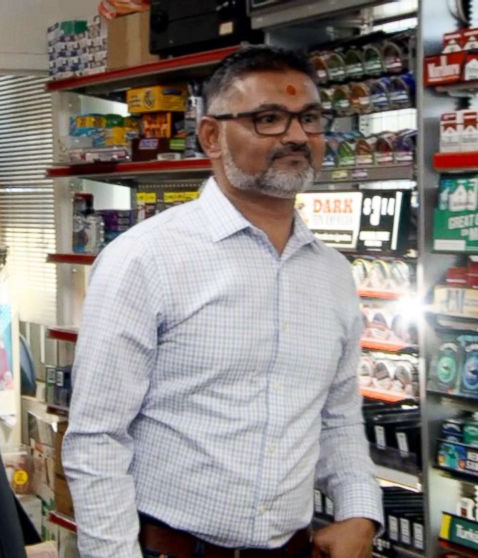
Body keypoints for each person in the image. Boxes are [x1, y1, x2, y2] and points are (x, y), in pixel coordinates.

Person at [62, 46, 383, 558]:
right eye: (269, 119)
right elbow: (97, 439)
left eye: (311, 119)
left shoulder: (333, 274)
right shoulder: (144, 259)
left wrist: (360, 512)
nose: (297, 136)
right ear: (211, 136)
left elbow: (338, 417)